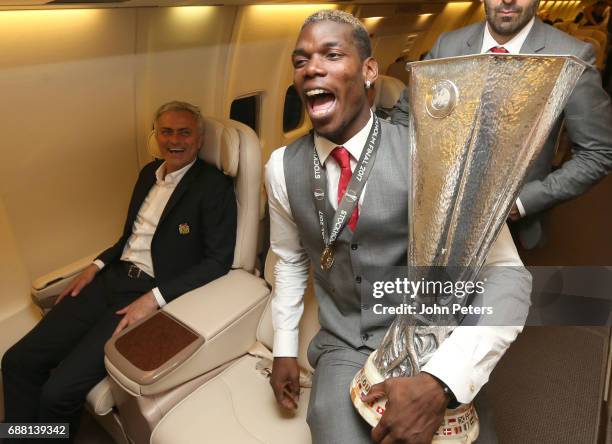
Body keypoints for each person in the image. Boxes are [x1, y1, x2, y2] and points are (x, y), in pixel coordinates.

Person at [265, 10, 531, 443]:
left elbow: (507, 277)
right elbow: (291, 260)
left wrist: (440, 381)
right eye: (301, 60)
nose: (312, 67)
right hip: (344, 343)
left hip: (429, 335)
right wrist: (284, 349)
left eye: (332, 55)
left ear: (369, 70)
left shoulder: (431, 156)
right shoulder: (280, 168)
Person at [1, 101, 237, 438]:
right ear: (156, 136)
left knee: (58, 392)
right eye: (166, 131)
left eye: (184, 132)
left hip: (145, 294)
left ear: (199, 139)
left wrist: (154, 299)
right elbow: (129, 237)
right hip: (110, 279)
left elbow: (218, 261)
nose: (175, 140)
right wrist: (95, 265)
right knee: (16, 361)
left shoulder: (213, 186)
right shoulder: (147, 175)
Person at [391, 0, 612, 250]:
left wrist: (523, 202)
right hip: (433, 213)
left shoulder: (571, 54)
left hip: (510, 227)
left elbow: (598, 153)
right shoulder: (448, 45)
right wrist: (408, 176)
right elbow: (406, 114)